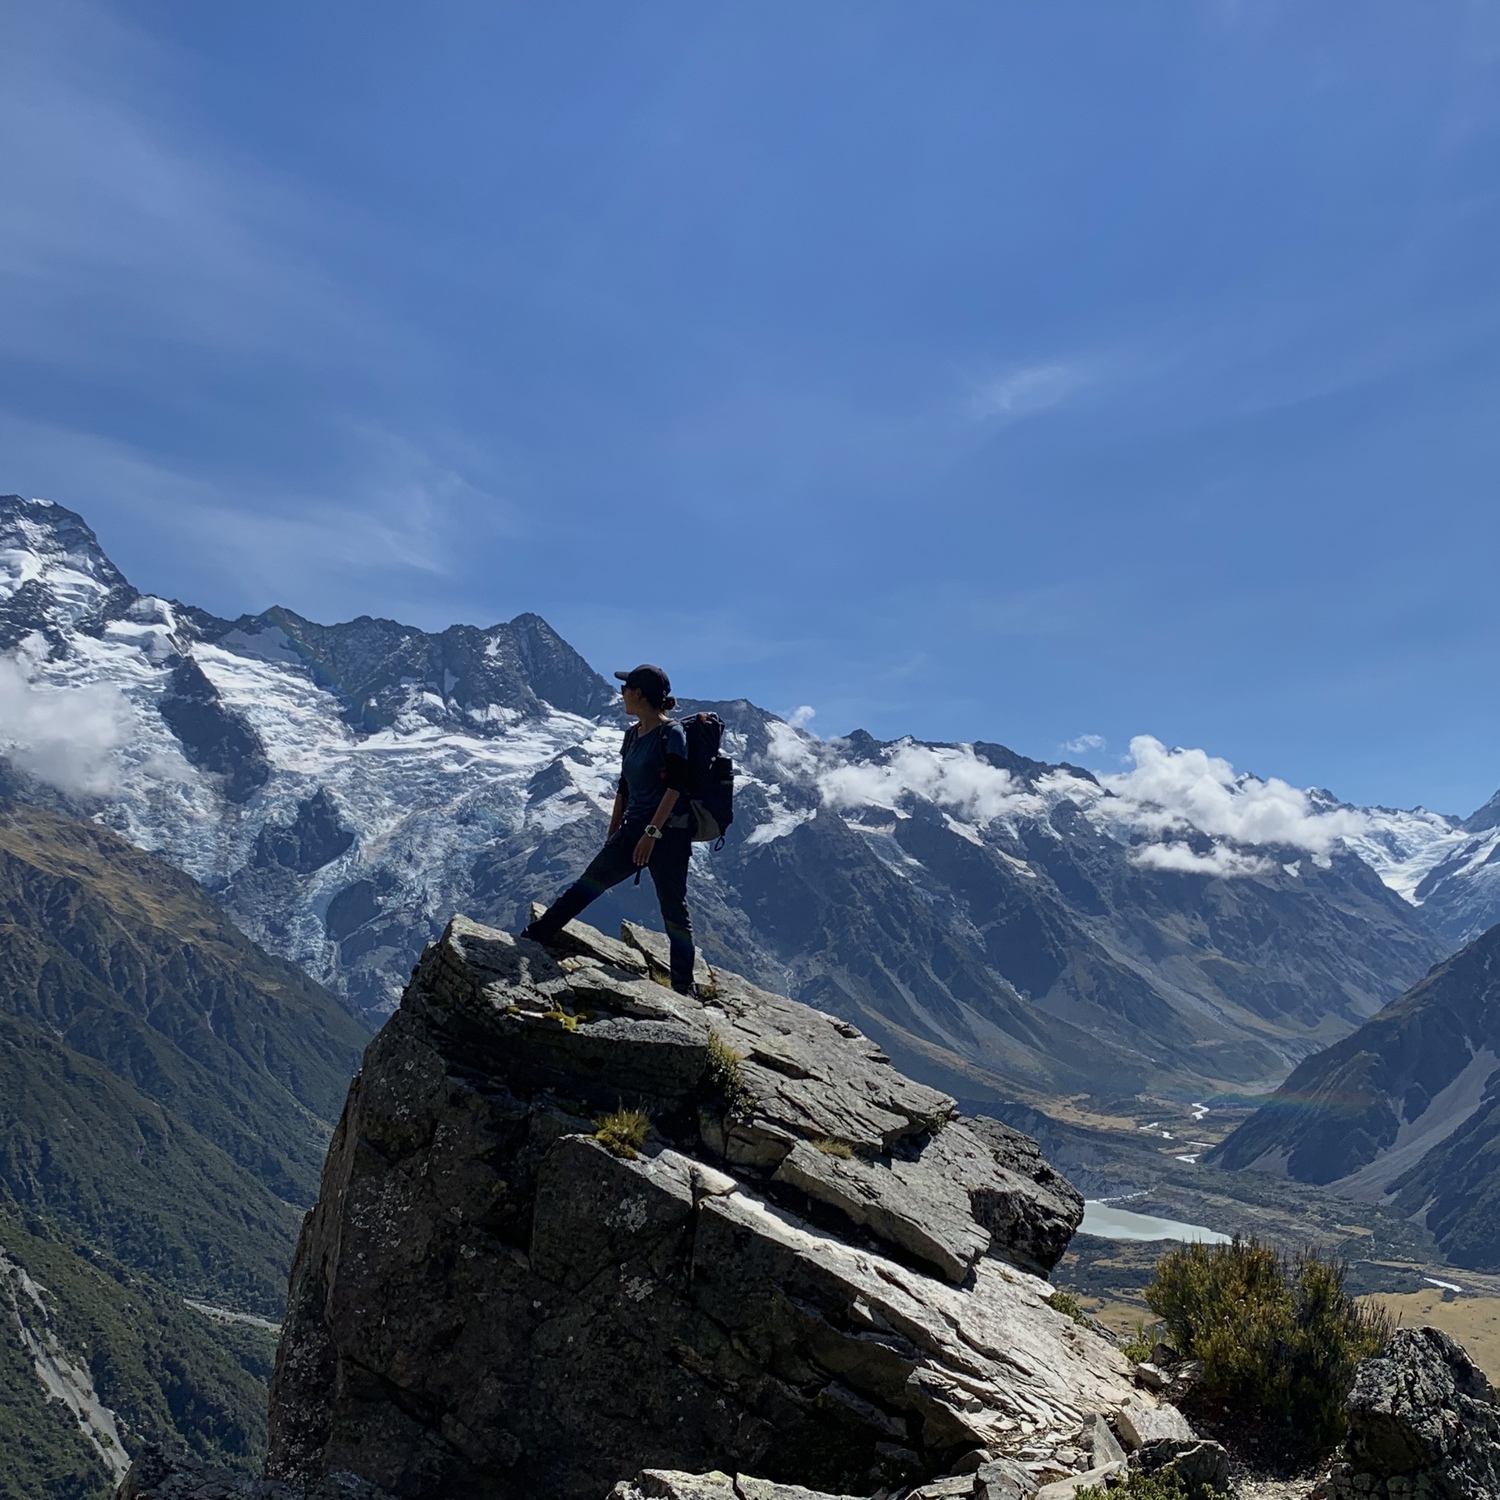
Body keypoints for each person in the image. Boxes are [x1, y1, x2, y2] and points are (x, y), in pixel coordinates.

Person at [522, 663, 697, 993]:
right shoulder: (632, 735)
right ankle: (534, 939)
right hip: (633, 830)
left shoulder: (671, 733)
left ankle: (684, 988)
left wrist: (651, 834)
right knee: (586, 885)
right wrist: (615, 827)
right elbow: (624, 786)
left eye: (625, 689)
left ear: (639, 694)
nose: (621, 696)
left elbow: (675, 788)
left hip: (668, 833)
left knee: (674, 909)